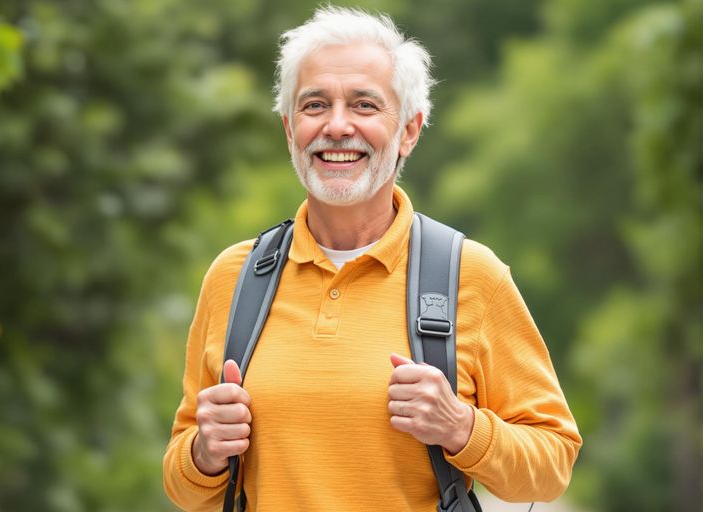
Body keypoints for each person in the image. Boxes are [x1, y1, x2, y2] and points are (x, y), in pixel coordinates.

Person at [162, 6, 582, 511]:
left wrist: (461, 427)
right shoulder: (235, 277)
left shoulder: (471, 276)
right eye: (315, 105)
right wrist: (205, 453)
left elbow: (553, 466)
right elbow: (182, 485)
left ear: (409, 129)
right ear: (289, 129)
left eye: (364, 105)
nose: (337, 126)